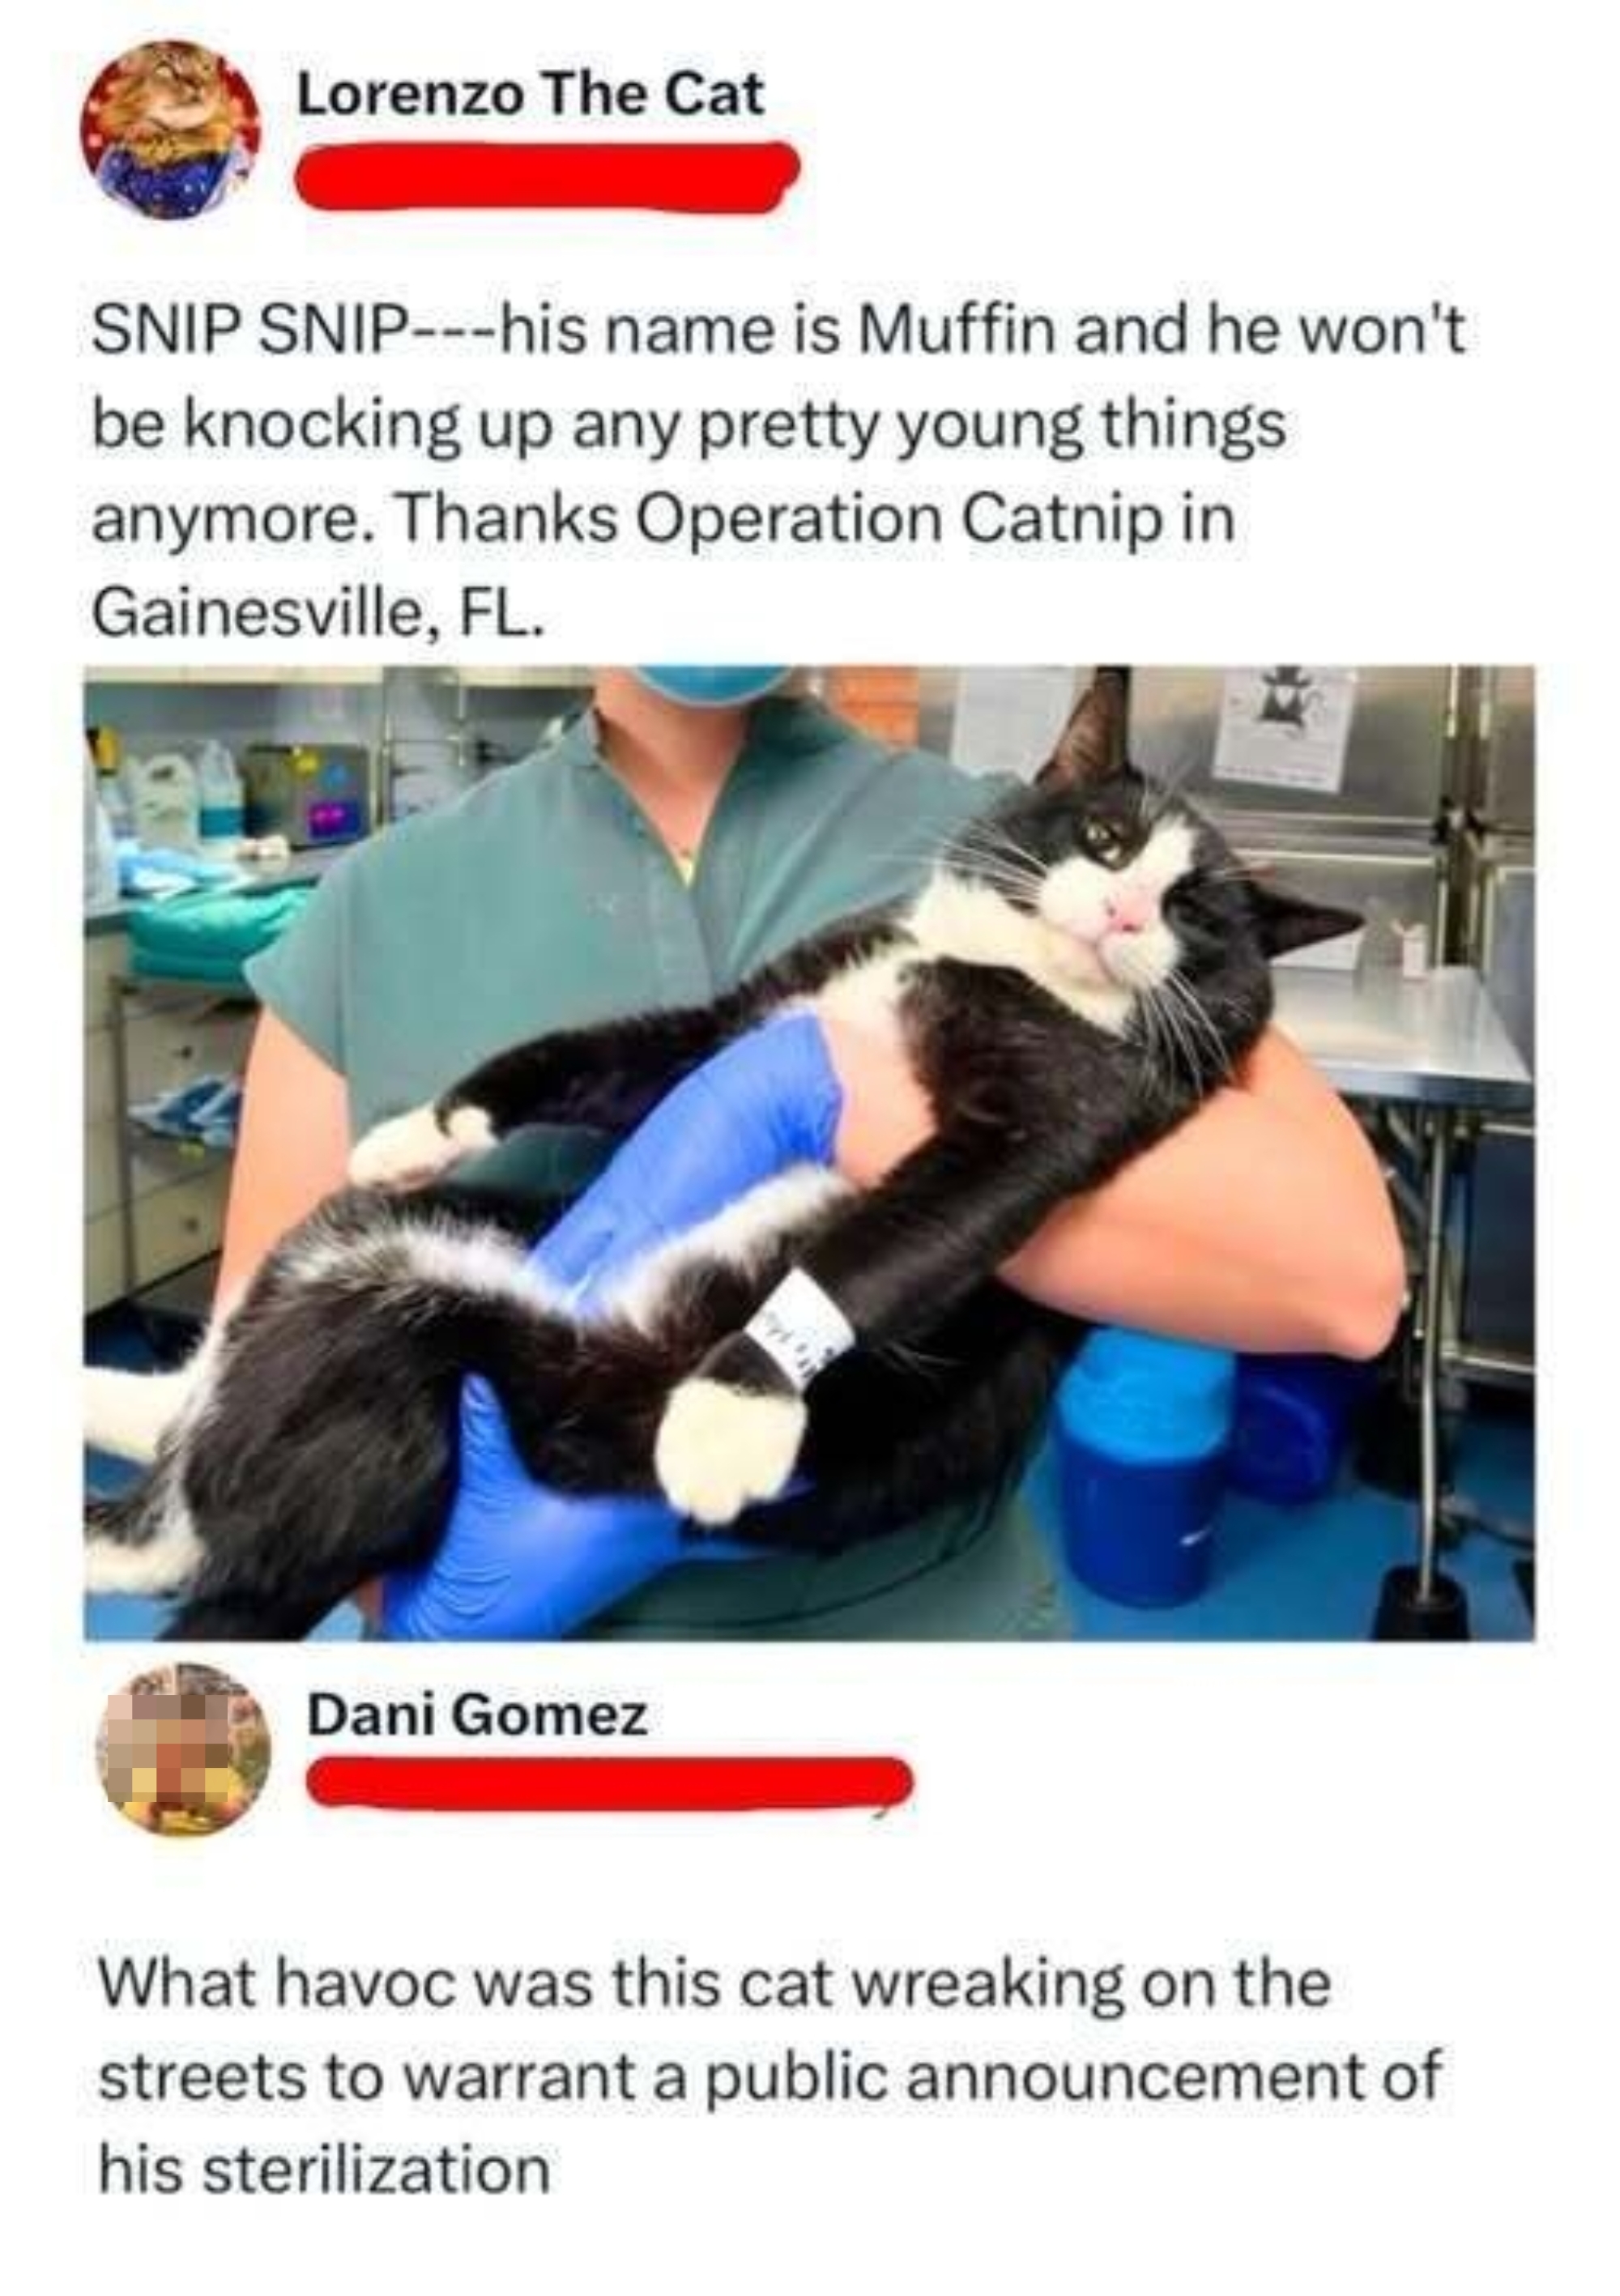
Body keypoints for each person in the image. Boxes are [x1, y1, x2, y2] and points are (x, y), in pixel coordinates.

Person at [232, 668, 1404, 1639]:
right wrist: (416, 1613)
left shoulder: (1014, 836)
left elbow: (1344, 1285)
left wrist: (848, 1096)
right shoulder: (373, 900)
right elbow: (254, 1395)